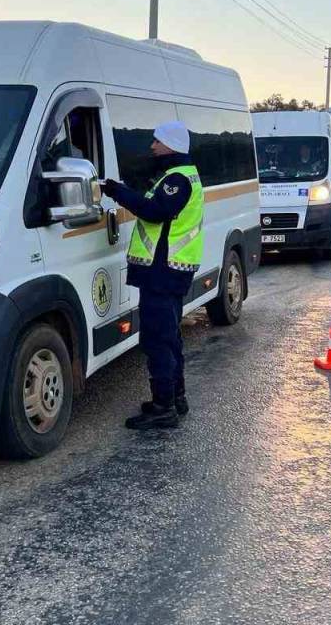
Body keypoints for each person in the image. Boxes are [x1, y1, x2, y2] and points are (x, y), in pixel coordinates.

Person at [101, 121, 204, 430]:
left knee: (157, 339)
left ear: (171, 144)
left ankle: (163, 407)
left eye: (157, 141)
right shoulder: (179, 175)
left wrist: (118, 192)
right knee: (169, 338)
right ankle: (175, 398)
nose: (152, 146)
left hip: (163, 271)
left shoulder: (177, 180)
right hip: (168, 271)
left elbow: (154, 212)